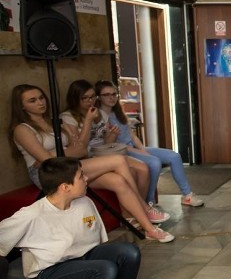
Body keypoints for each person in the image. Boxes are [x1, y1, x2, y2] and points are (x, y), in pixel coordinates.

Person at [0, 157, 156, 279]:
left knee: (129, 252)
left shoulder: (84, 202)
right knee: (105, 270)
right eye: (81, 176)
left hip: (82, 258)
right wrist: (1, 276)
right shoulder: (31, 215)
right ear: (65, 187)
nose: (87, 178)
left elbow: (96, 243)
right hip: (50, 272)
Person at [9, 84, 173, 242]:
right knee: (118, 160)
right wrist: (56, 154)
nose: (40, 102)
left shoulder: (55, 122)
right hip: (49, 173)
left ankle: (149, 229)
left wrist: (55, 153)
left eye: (41, 98)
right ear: (21, 106)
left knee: (118, 181)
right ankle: (143, 207)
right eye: (32, 100)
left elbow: (81, 150)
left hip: (70, 165)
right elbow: (47, 161)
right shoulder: (22, 129)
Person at [59, 79, 169, 223]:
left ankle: (133, 213)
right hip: (86, 158)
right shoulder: (68, 117)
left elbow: (105, 144)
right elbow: (80, 147)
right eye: (84, 98)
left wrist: (112, 135)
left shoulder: (100, 114)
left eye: (92, 97)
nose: (89, 101)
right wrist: (87, 121)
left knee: (143, 168)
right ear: (75, 99)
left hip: (102, 153)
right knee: (127, 169)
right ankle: (142, 210)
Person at [95, 80, 203, 207]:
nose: (111, 97)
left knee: (174, 156)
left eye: (114, 94)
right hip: (121, 151)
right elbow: (112, 144)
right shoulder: (100, 117)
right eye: (107, 95)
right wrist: (140, 152)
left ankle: (187, 195)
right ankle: (149, 200)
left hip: (133, 147)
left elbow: (133, 136)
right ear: (99, 97)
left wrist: (142, 149)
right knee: (154, 162)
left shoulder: (118, 113)